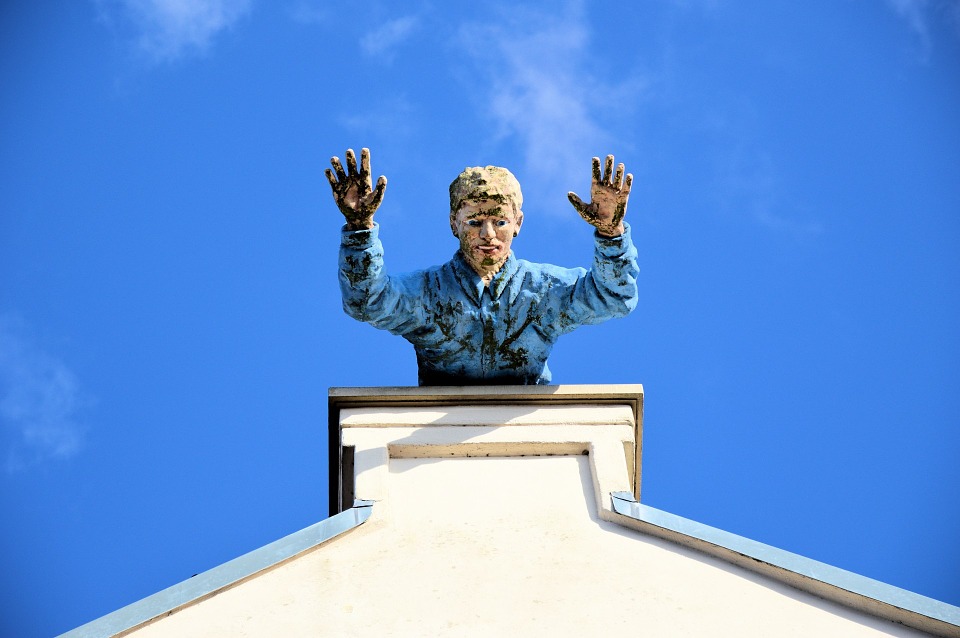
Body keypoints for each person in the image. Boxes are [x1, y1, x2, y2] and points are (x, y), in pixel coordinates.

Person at [326, 147, 638, 385]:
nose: (487, 234)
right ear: (454, 224)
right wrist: (359, 228)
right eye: (474, 221)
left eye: (499, 221)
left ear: (518, 223)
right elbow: (367, 302)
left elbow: (612, 298)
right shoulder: (426, 292)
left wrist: (611, 233)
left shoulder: (542, 289)